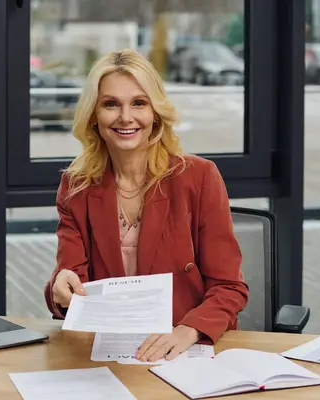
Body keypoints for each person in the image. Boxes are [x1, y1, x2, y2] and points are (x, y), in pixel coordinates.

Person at [43, 49, 249, 363]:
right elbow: (71, 281)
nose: (126, 117)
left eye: (139, 103)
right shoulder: (77, 187)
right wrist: (61, 290)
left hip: (183, 350)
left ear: (155, 113)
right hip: (108, 354)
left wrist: (188, 330)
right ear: (94, 116)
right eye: (111, 104)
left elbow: (229, 286)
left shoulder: (198, 177)